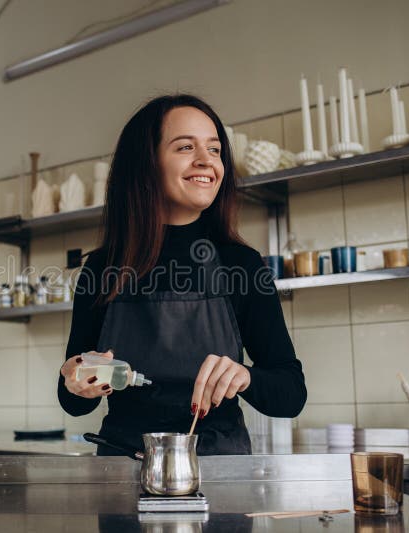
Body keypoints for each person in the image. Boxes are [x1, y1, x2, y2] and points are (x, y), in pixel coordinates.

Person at [58, 94, 306, 455]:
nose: (207, 161)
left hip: (220, 480)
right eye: (186, 147)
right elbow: (75, 402)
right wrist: (75, 382)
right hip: (123, 474)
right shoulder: (101, 269)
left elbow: (291, 395)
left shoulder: (242, 265)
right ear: (146, 164)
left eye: (215, 149)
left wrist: (246, 377)